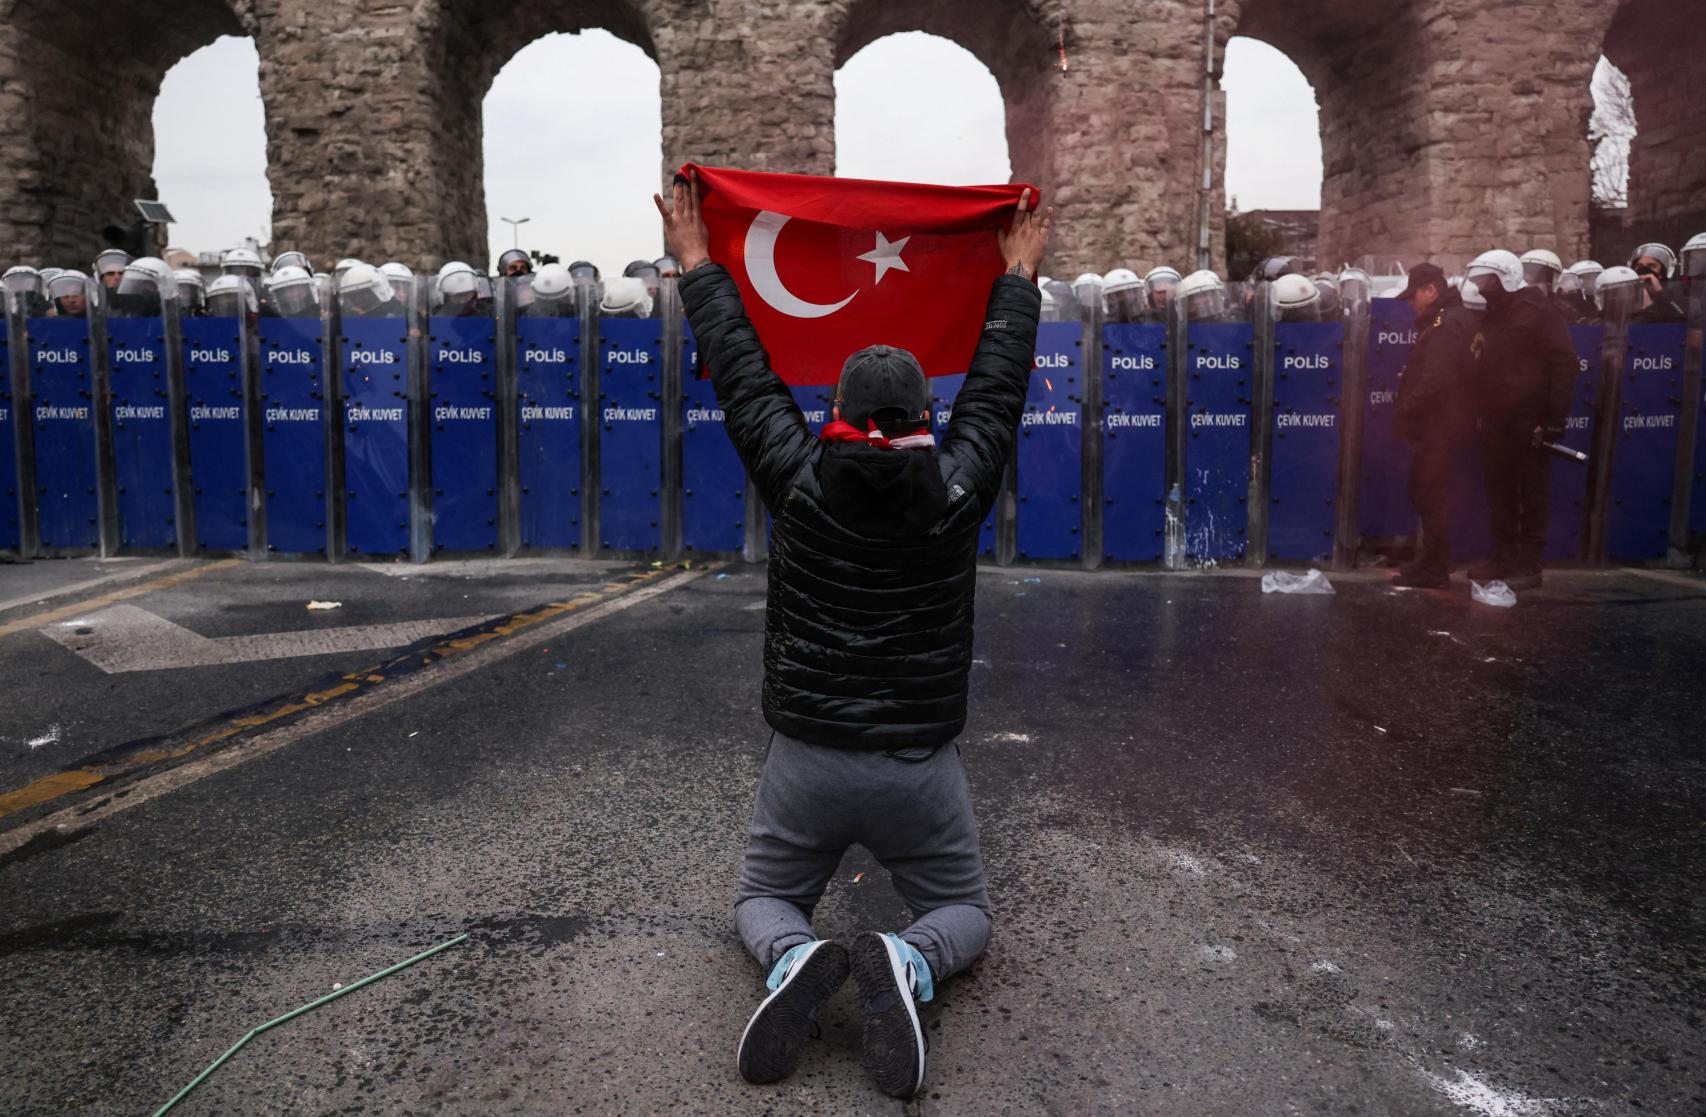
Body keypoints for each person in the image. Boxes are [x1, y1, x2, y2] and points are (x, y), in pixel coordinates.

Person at [653, 170, 1050, 1102]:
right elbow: (996, 391)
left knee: (762, 900)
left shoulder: (795, 477)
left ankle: (794, 959)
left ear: (832, 413)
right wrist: (1018, 276)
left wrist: (699, 261)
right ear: (926, 420)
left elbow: (744, 374)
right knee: (965, 912)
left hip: (808, 759)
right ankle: (909, 963)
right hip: (917, 764)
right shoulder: (958, 493)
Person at [1465, 249, 1576, 590]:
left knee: (1531, 491)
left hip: (1530, 420)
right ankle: (1504, 556)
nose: (1483, 287)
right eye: (1479, 281)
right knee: (1499, 491)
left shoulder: (1540, 313)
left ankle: (1529, 564)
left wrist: (1554, 420)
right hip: (1495, 418)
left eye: (1488, 280)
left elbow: (1564, 364)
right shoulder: (1492, 314)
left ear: (1507, 278)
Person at [1390, 263, 1478, 587]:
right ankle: (1433, 562)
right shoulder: (1456, 318)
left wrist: (1406, 410)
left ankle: (1435, 568)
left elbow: (1436, 378)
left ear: (1431, 290)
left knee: (1430, 492)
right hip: (1449, 420)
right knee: (1427, 490)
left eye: (1414, 296)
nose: (1411, 303)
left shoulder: (1446, 322)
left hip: (1442, 424)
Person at [1626, 242, 1685, 323]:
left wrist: (1659, 294)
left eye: (1651, 266)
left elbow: (1680, 321)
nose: (1644, 270)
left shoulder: (1677, 298)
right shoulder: (1625, 297)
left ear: (1662, 273)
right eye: (1639, 266)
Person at [338, 263, 403, 318]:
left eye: (362, 293)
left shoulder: (397, 310)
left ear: (378, 290)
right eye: (352, 295)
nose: (358, 299)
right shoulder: (349, 315)